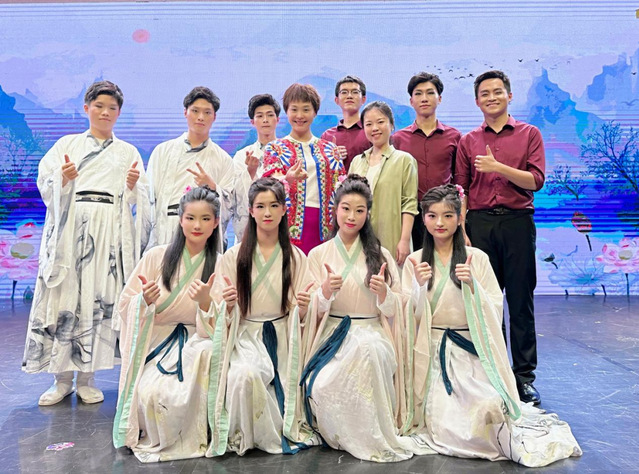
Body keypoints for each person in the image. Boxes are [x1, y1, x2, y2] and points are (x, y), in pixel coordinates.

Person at [402, 184, 581, 467]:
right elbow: (403, 318)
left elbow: (496, 308)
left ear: (460, 218)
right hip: (431, 354)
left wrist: (473, 286)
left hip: (471, 353)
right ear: (423, 219)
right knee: (444, 417)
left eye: (448, 215)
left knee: (489, 408)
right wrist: (418, 287)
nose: (440, 223)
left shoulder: (478, 258)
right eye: (432, 215)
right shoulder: (414, 261)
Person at [22, 80, 150, 406]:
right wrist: (62, 179)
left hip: (109, 232)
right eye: (99, 106)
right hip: (72, 228)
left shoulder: (128, 152)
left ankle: (87, 378)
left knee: (97, 298)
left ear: (119, 113)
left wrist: (133, 187)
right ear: (86, 108)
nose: (105, 112)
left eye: (112, 108)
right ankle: (61, 379)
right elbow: (46, 181)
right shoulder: (67, 144)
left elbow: (141, 197)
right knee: (66, 298)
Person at [300, 176, 433, 462]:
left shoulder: (381, 254)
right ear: (335, 209)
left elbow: (398, 309)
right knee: (321, 384)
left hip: (372, 330)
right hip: (332, 334)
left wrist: (384, 294)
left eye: (359, 210)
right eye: (346, 209)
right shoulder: (318, 254)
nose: (352, 216)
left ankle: (369, 436)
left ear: (368, 214)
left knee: (369, 352)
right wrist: (325, 292)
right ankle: (340, 436)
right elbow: (309, 309)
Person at [204, 177, 317, 456]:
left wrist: (303, 308)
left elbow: (307, 309)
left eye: (274, 205)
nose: (268, 213)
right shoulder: (233, 256)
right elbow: (218, 308)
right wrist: (228, 305)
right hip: (246, 337)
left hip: (284, 336)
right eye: (261, 206)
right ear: (251, 211)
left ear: (284, 210)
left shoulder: (297, 257)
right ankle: (246, 435)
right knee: (245, 376)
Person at [454, 70, 545, 405]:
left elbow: (536, 181)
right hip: (479, 225)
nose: (491, 98)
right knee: (485, 302)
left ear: (509, 95)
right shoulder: (468, 140)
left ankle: (524, 377)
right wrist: (462, 228)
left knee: (520, 301)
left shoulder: (529, 133)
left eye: (497, 92)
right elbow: (461, 188)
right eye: (485, 94)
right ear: (477, 101)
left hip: (517, 223)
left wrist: (498, 167)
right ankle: (493, 373)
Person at [113, 186, 221, 462]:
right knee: (153, 394)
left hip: (197, 340)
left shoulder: (221, 264)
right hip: (156, 340)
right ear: (180, 219)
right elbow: (124, 304)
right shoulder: (155, 256)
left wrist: (206, 303)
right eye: (190, 218)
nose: (197, 226)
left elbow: (223, 322)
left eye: (205, 219)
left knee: (195, 382)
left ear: (216, 223)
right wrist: (144, 302)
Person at [147, 86, 250, 251]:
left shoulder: (223, 159)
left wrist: (213, 187)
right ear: (185, 112)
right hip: (166, 230)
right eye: (195, 111)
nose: (201, 117)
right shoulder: (162, 151)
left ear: (214, 117)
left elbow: (230, 207)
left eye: (207, 112)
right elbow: (148, 199)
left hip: (204, 234)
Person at [263, 83, 345, 254]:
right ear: (286, 111)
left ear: (315, 112)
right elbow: (268, 187)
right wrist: (288, 179)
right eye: (294, 109)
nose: (300, 115)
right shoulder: (275, 148)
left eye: (306, 109)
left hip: (326, 226)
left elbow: (342, 189)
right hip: (286, 224)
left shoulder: (330, 150)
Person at [393, 72, 461, 250]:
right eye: (418, 93)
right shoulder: (398, 139)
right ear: (411, 101)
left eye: (430, 93)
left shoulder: (454, 136)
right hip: (410, 216)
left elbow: (460, 179)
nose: (424, 98)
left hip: (445, 213)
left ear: (440, 99)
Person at [350, 101, 418, 265]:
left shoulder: (404, 160)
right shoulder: (357, 161)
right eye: (369, 124)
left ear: (392, 125)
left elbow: (409, 204)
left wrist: (404, 240)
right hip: (359, 237)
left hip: (392, 237)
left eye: (380, 122)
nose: (375, 128)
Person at [320, 75, 371, 171]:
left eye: (355, 92)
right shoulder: (327, 136)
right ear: (336, 100)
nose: (349, 96)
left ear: (363, 99)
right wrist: (331, 158)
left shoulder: (371, 132)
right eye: (344, 92)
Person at [233, 94, 281, 180]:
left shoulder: (289, 152)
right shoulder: (241, 156)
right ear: (252, 122)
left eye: (270, 115)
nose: (265, 120)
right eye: (260, 116)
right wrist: (250, 171)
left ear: (277, 120)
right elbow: (236, 188)